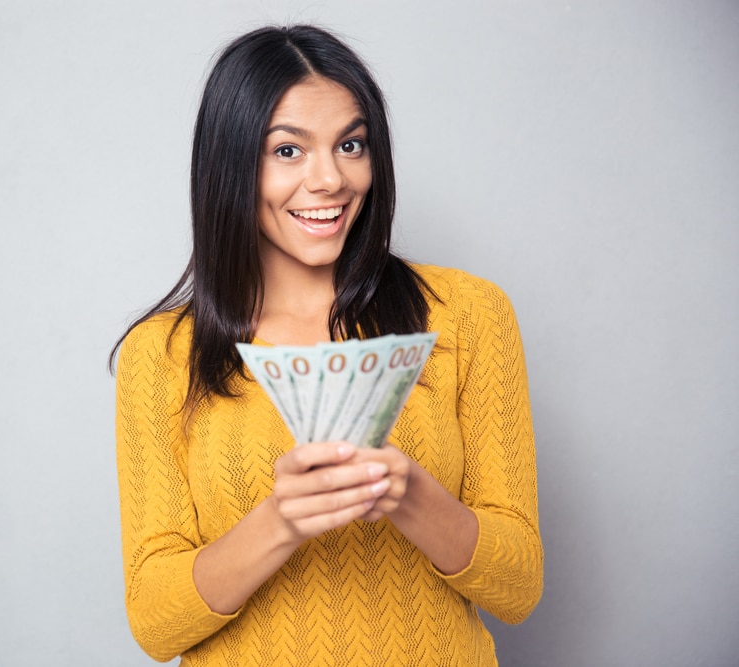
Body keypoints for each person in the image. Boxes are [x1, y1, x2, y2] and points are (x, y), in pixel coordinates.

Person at [110, 24, 542, 666]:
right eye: (288, 151)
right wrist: (282, 520)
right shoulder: (163, 356)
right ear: (230, 164)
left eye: (350, 144)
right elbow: (155, 623)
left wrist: (406, 494)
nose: (330, 180)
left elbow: (519, 588)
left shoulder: (468, 315)